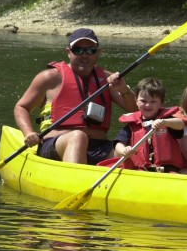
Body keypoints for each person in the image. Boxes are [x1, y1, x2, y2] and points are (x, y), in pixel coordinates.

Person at [14, 28, 137, 164]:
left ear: (98, 52)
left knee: (129, 151)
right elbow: (22, 107)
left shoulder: (108, 80)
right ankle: (77, 181)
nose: (84, 55)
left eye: (90, 50)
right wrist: (29, 133)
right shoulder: (49, 78)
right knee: (78, 137)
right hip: (55, 145)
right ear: (68, 52)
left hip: (99, 147)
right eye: (78, 50)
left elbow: (136, 111)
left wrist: (124, 90)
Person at [113, 77, 186, 173]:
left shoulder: (167, 120)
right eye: (143, 101)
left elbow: (181, 124)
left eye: (153, 102)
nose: (147, 105)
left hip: (168, 171)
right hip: (141, 171)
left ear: (161, 103)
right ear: (136, 100)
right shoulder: (132, 125)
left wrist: (164, 122)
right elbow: (118, 143)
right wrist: (124, 150)